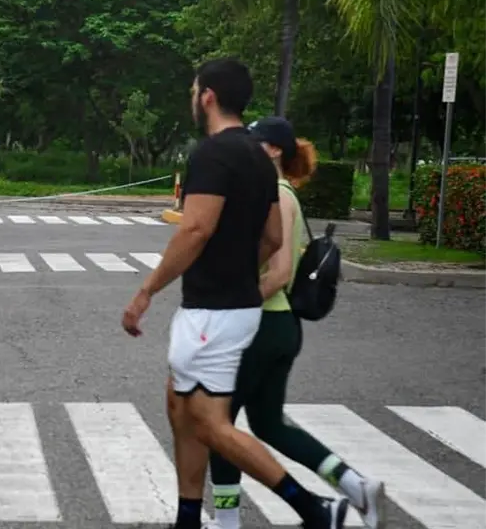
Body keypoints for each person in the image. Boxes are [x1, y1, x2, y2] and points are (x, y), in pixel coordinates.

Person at [121, 57, 348, 529]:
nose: (192, 98)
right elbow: (272, 238)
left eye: (194, 90)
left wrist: (146, 290)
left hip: (214, 311)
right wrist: (240, 269)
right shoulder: (258, 159)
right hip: (232, 307)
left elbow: (195, 229)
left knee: (209, 424)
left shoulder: (213, 154)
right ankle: (188, 516)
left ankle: (314, 508)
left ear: (208, 96)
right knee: (180, 406)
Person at [207, 116, 387, 529]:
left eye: (254, 143)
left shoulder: (276, 195)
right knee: (269, 424)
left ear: (273, 150)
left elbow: (278, 274)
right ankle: (356, 486)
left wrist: (227, 307)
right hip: (280, 326)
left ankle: (227, 520)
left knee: (217, 424)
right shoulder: (277, 192)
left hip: (261, 325)